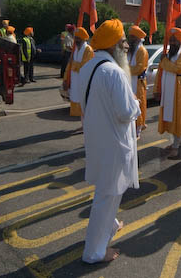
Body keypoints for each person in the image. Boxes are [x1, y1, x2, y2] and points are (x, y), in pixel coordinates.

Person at [78, 19, 141, 264]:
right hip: (114, 145)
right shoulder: (113, 72)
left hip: (98, 140)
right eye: (123, 41)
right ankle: (94, 252)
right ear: (114, 44)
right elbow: (126, 112)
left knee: (109, 191)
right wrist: (136, 104)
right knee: (107, 197)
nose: (127, 46)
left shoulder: (88, 66)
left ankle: (111, 225)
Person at [156, 28, 181, 158]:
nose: (172, 42)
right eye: (170, 39)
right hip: (168, 88)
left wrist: (164, 61)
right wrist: (158, 89)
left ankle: (176, 147)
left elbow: (177, 68)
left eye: (174, 40)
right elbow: (163, 72)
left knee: (177, 117)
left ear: (180, 41)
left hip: (178, 88)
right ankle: (176, 142)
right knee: (169, 117)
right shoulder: (168, 54)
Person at [64, 27, 94, 117]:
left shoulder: (88, 49)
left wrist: (74, 65)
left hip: (84, 82)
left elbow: (86, 66)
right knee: (77, 103)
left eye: (78, 38)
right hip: (75, 82)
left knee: (85, 104)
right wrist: (66, 79)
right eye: (75, 38)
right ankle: (82, 125)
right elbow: (69, 65)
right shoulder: (75, 49)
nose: (76, 40)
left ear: (83, 38)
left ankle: (85, 126)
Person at [128, 26, 149, 137]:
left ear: (137, 38)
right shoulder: (130, 51)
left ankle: (139, 128)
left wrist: (125, 70)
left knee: (139, 104)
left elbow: (139, 68)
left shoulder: (142, 51)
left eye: (132, 37)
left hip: (138, 82)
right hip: (129, 81)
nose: (130, 39)